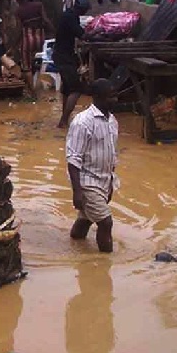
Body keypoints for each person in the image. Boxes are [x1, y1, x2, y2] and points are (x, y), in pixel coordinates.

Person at [66, 78, 119, 253]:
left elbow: (112, 155)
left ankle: (74, 247)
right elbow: (73, 159)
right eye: (110, 97)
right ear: (97, 97)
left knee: (86, 219)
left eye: (115, 96)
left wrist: (110, 184)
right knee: (106, 222)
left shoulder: (112, 121)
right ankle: (105, 264)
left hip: (103, 180)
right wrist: (77, 192)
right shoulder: (82, 122)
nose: (115, 100)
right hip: (87, 181)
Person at [55, 0, 91, 127]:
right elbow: (82, 35)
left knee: (67, 88)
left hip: (63, 55)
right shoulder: (70, 17)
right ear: (82, 9)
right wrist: (96, 32)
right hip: (64, 57)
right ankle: (63, 121)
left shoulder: (69, 15)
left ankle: (64, 120)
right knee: (76, 89)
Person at [15, 0, 54, 81]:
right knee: (41, 59)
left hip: (27, 39)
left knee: (26, 66)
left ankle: (32, 92)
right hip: (40, 38)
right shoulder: (38, 5)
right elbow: (45, 21)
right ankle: (41, 82)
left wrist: (15, 44)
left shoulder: (19, 10)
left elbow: (19, 29)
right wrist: (54, 31)